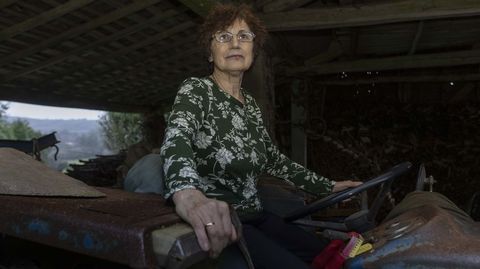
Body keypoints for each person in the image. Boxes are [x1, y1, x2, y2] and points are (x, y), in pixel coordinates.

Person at [160, 4, 361, 268]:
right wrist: (188, 195)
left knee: (333, 254)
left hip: (256, 214)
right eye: (223, 36)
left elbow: (273, 160)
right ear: (210, 53)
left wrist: (328, 186)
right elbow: (177, 138)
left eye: (244, 36)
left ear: (253, 50)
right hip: (227, 221)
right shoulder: (197, 90)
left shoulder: (251, 105)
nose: (235, 43)